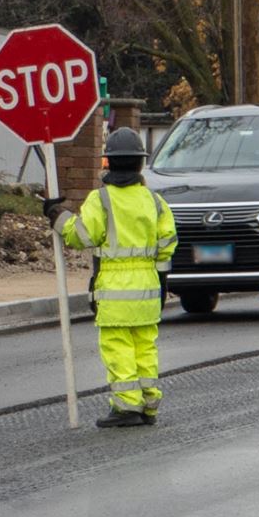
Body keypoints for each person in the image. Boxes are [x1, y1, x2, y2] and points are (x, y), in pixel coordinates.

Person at [49, 127, 179, 427]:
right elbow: (166, 244)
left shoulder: (101, 199)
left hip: (115, 290)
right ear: (139, 164)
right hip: (148, 289)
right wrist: (162, 285)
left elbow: (83, 235)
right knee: (145, 348)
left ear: (108, 162)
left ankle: (126, 407)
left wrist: (58, 217)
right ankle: (148, 404)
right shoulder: (154, 201)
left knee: (118, 348)